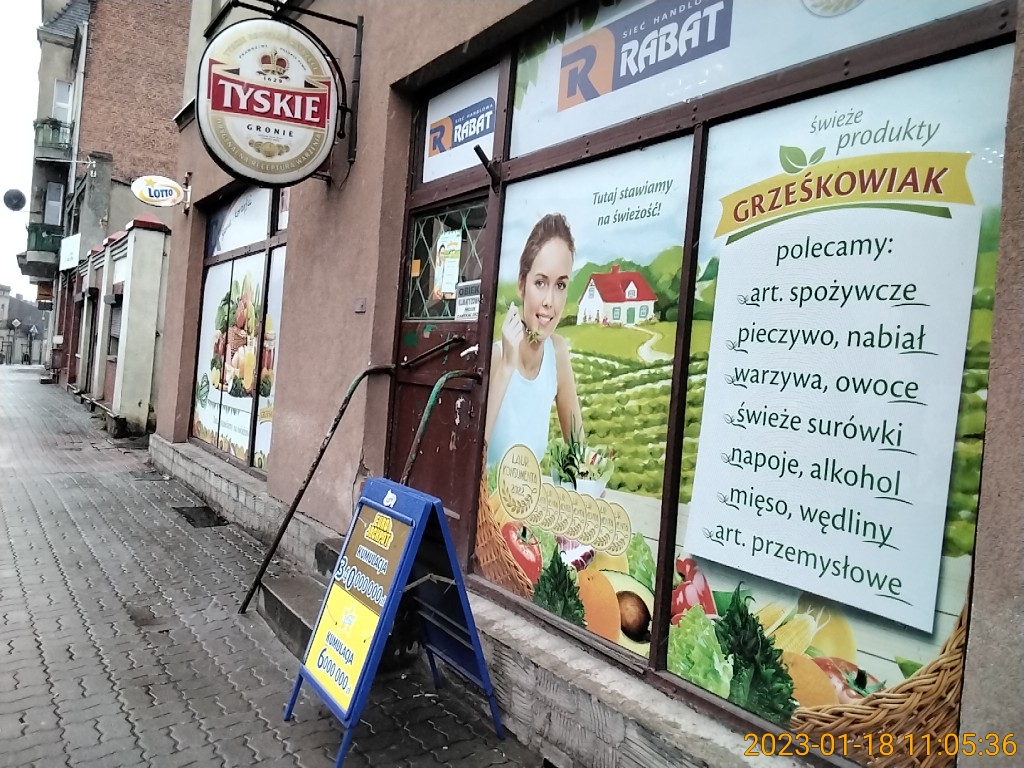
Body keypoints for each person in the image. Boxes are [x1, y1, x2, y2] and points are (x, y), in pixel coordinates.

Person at [485, 213, 584, 468]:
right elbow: (472, 455)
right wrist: (507, 366)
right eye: (540, 283)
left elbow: (578, 450)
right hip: (487, 495)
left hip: (531, 493)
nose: (549, 301)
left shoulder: (557, 353)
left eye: (560, 286)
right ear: (522, 285)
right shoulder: (496, 357)